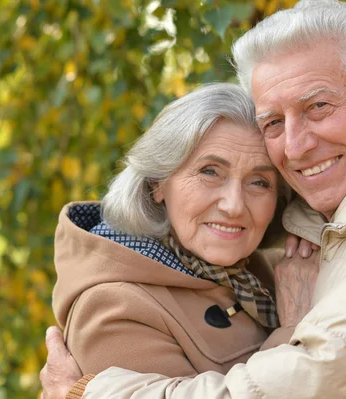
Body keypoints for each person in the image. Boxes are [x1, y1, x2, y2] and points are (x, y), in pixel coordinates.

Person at [41, 0, 346, 398]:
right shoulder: (309, 247)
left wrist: (83, 393)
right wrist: (290, 329)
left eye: (318, 107)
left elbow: (305, 383)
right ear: (158, 181)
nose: (294, 147)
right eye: (273, 121)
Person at [50, 82, 320, 393]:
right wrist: (292, 331)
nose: (234, 205)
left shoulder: (272, 272)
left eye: (259, 182)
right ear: (158, 183)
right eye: (210, 172)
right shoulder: (114, 306)